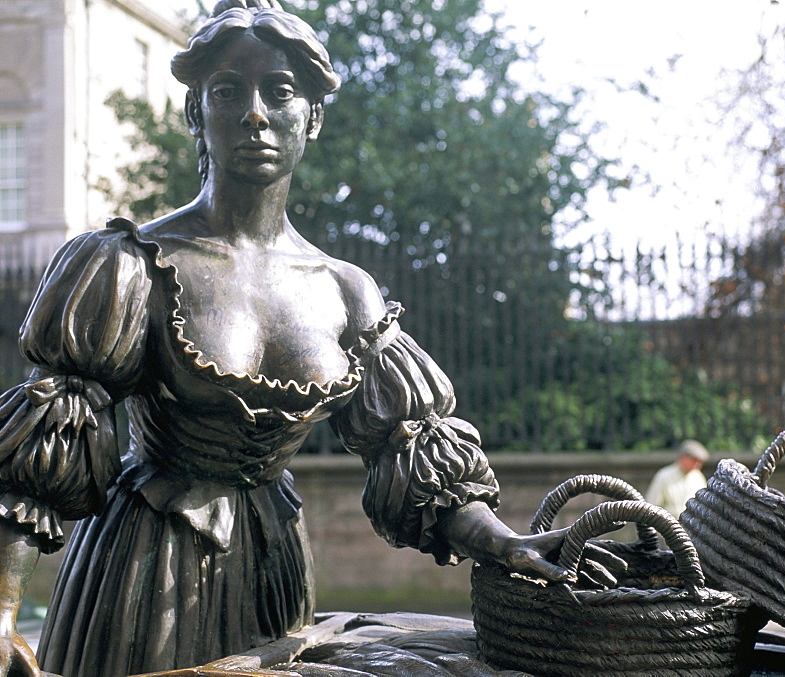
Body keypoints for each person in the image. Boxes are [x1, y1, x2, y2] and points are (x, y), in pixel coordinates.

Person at [0, 3, 572, 675]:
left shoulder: (345, 291)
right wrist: (4, 608)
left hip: (276, 566)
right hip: (143, 568)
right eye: (226, 91)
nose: (255, 113)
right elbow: (38, 460)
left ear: (313, 117)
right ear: (194, 113)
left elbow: (412, 452)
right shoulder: (127, 264)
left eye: (279, 91)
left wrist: (504, 541)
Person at [645, 439, 708, 517]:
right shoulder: (664, 476)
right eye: (694, 460)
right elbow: (652, 505)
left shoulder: (698, 477)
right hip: (668, 525)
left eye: (700, 461)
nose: (698, 465)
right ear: (683, 458)